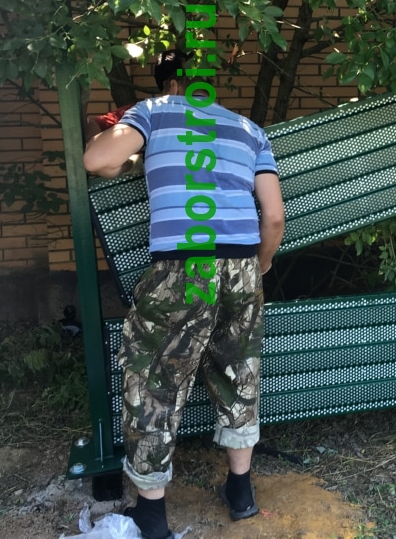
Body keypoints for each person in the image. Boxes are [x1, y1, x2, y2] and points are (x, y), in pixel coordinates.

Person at [82, 60, 286, 539]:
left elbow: (98, 161)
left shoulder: (155, 111)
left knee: (153, 381)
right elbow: (274, 216)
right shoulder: (248, 130)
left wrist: (108, 135)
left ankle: (152, 516)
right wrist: (260, 266)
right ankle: (241, 492)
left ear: (171, 85)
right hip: (241, 269)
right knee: (239, 373)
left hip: (182, 268)